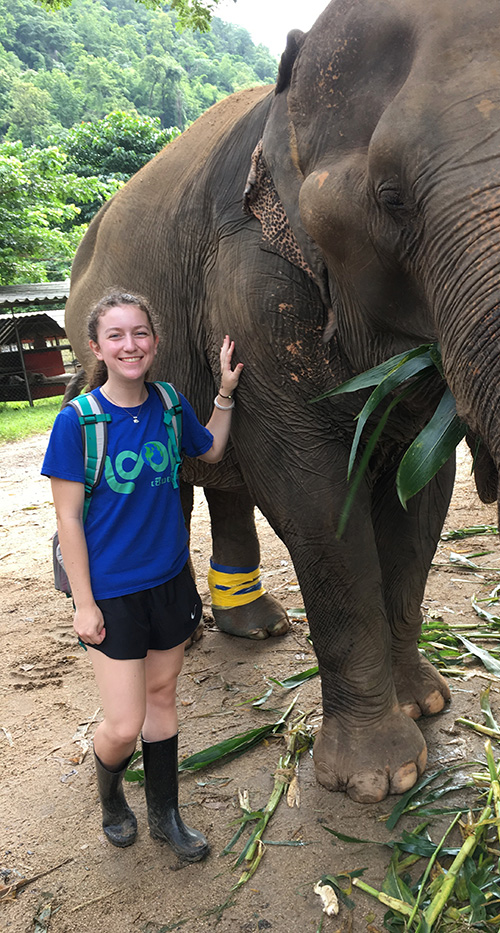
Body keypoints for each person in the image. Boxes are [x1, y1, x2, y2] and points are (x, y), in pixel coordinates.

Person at [42, 289, 243, 862]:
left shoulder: (170, 405)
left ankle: (166, 817)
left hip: (168, 582)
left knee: (162, 697)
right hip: (111, 593)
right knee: (125, 722)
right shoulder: (78, 423)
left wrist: (225, 394)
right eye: (116, 336)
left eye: (139, 334)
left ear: (154, 342)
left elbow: (211, 453)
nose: (129, 345)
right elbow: (69, 520)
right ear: (96, 349)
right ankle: (109, 798)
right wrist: (84, 603)